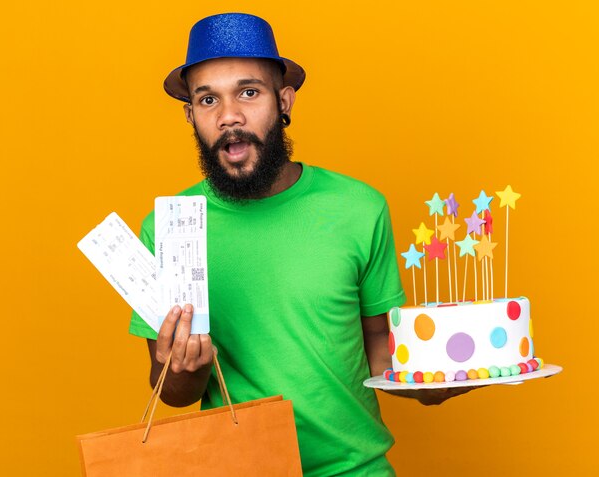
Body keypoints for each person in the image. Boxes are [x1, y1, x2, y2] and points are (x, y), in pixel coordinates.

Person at [129, 13, 470, 476]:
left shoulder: (358, 208)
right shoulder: (170, 227)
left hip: (358, 468)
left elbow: (377, 342)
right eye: (208, 99)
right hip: (240, 470)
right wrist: (186, 370)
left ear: (284, 101)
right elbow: (171, 390)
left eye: (248, 92)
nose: (229, 115)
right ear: (191, 115)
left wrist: (433, 380)